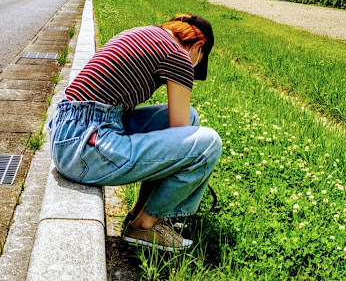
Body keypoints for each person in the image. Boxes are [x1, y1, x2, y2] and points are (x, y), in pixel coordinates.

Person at [48, 13, 222, 251]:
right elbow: (180, 132)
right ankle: (145, 226)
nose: (194, 67)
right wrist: (193, 167)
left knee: (190, 117)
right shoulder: (180, 55)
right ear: (198, 46)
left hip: (68, 133)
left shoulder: (143, 32)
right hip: (85, 152)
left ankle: (138, 214)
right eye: (198, 62)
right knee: (208, 143)